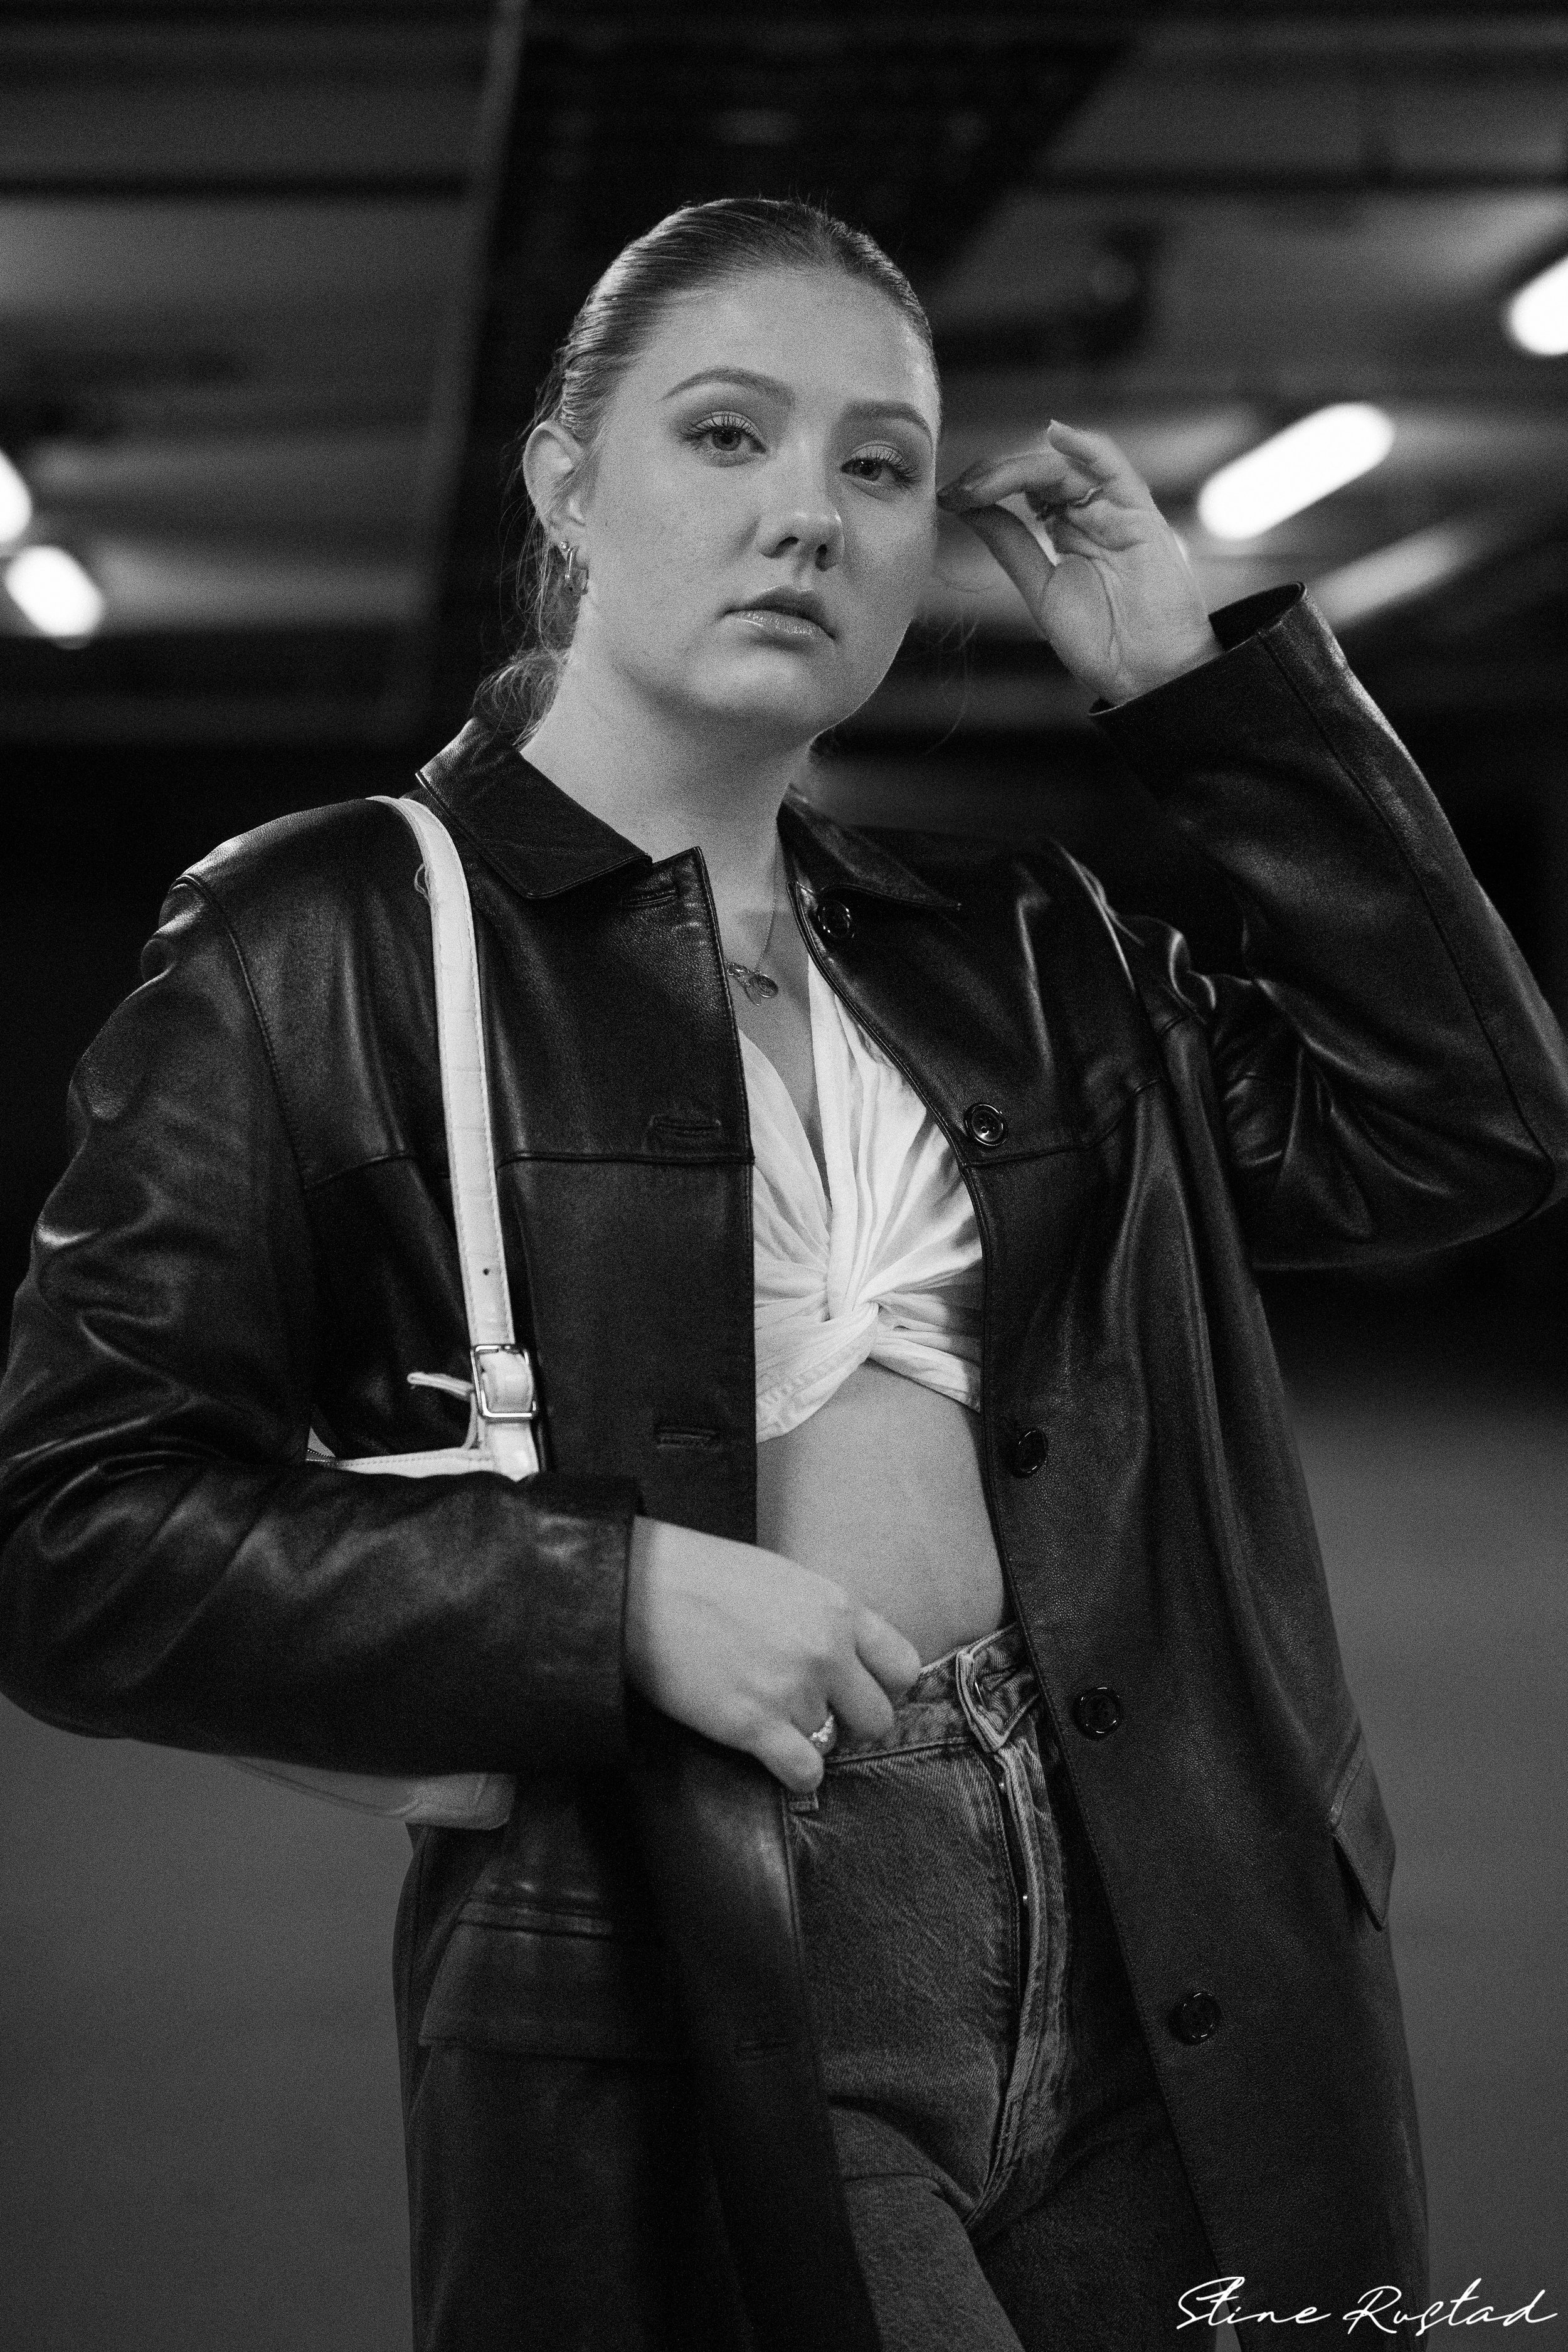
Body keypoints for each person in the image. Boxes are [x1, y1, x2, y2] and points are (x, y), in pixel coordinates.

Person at [1, 196, 1565, 2352]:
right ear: (566, 475)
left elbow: (1465, 1119)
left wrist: (1213, 704)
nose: (806, 520)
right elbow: (70, 1532)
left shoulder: (1019, 950)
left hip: (1164, 1920)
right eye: (725, 436)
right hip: (702, 1963)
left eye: (875, 465)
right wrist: (608, 1596)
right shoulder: (328, 932)